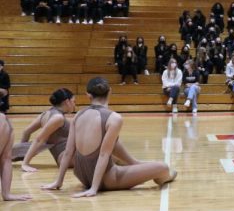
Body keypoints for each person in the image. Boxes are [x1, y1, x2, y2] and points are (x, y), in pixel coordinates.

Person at [41, 77, 175, 197]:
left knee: (114, 146)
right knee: (163, 167)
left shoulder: (78, 115)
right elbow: (104, 155)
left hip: (82, 176)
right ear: (110, 91)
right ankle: (164, 175)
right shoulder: (114, 118)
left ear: (88, 95)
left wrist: (58, 182)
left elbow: (68, 152)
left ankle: (138, 165)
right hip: (105, 180)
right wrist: (94, 188)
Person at [12, 88, 76, 172]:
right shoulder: (58, 118)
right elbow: (39, 139)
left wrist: (22, 152)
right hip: (66, 157)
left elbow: (27, 131)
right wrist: (25, 163)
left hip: (66, 157)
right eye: (74, 101)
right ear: (67, 101)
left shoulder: (46, 113)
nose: (75, 104)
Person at [1, 113, 30, 201]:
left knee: (6, 158)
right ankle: (6, 194)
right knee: (6, 158)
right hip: (5, 120)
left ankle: (7, 194)